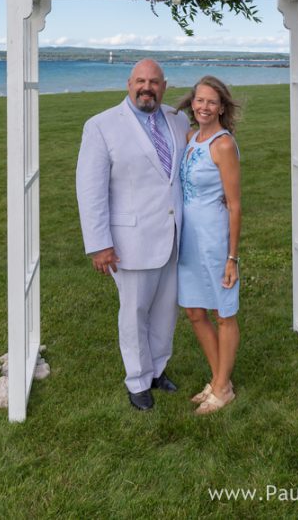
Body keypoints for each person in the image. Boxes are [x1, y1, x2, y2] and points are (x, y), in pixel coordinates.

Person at [76, 59, 190, 411]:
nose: (147, 87)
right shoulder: (101, 126)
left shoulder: (178, 120)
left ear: (164, 86)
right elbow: (90, 189)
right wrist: (99, 244)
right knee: (134, 312)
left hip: (174, 236)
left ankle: (158, 370)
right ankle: (137, 381)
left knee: (165, 312)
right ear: (129, 84)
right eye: (141, 81)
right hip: (130, 241)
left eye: (154, 82)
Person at [175, 76, 241, 415]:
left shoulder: (223, 145)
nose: (204, 107)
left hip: (215, 240)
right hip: (188, 239)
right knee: (194, 311)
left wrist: (232, 257)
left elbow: (234, 205)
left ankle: (220, 387)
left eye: (211, 102)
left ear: (221, 107)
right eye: (199, 100)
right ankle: (221, 381)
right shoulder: (190, 138)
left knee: (222, 313)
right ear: (192, 103)